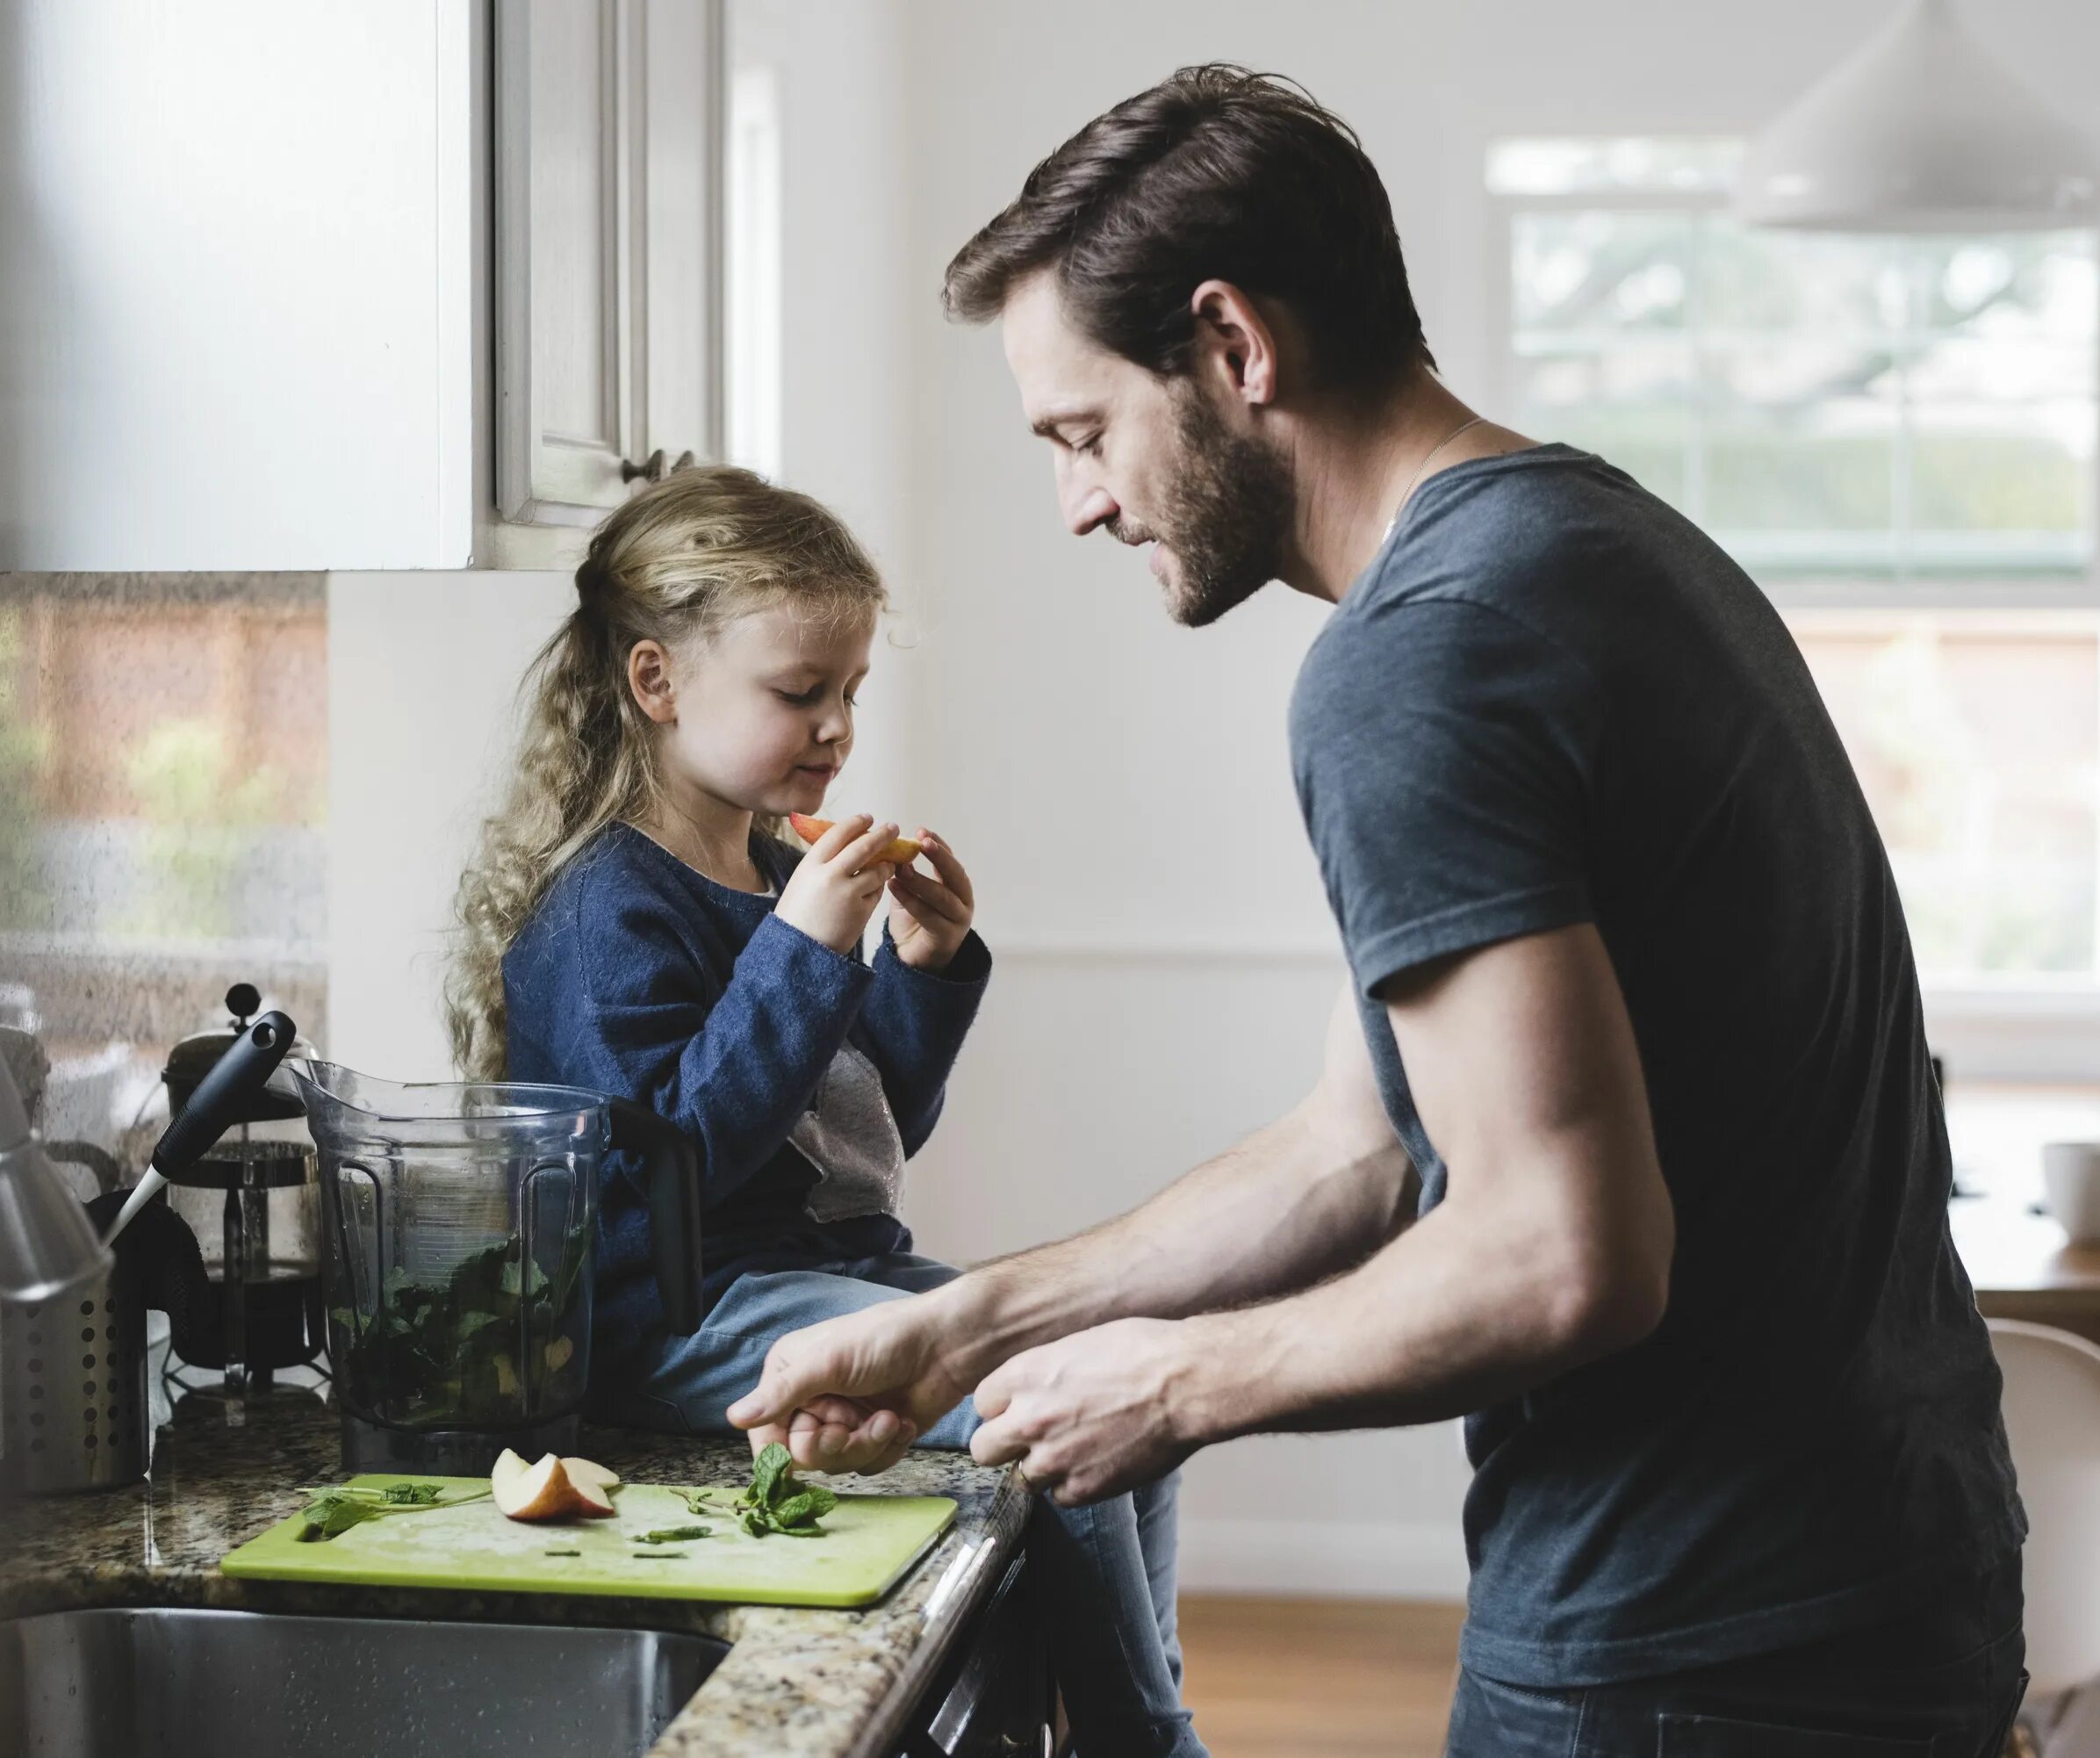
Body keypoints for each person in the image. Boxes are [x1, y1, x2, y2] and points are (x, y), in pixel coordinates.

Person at [725, 65, 2030, 1757]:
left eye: (1084, 431)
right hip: (1883, 1571)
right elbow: (1358, 1145)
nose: (1084, 503)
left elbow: (1567, 1256)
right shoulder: (1591, 547)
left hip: (1689, 1642)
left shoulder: (1418, 658)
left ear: (1234, 347)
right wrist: (978, 1320)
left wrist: (1174, 1386)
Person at [446, 465, 1206, 1757]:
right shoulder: (602, 909)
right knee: (1042, 1396)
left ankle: (1138, 1708)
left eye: (851, 691)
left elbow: (858, 1134)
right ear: (657, 682)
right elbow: (665, 1165)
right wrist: (802, 952)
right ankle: (1146, 1742)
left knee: (1117, 1362)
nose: (836, 727)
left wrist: (920, 963)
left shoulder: (778, 864)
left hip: (817, 1269)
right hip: (686, 1313)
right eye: (801, 692)